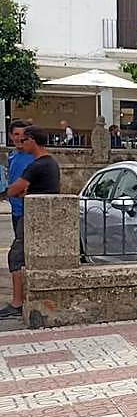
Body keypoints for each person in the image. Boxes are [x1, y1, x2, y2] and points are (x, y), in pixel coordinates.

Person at [2, 126, 61, 320]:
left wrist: (6, 193)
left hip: (33, 218)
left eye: (24, 140)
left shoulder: (36, 165)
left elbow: (14, 189)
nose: (21, 143)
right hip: (44, 217)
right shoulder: (51, 163)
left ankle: (17, 303)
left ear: (32, 140)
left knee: (16, 257)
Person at [2, 120, 33, 319]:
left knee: (17, 256)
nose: (20, 138)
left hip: (27, 212)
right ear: (11, 136)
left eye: (23, 135)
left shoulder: (33, 157)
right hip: (15, 211)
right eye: (16, 134)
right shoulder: (12, 156)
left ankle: (17, 302)